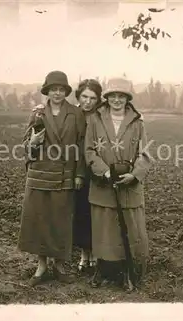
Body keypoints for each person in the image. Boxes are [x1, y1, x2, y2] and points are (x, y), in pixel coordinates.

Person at [18, 70, 86, 286]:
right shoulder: (37, 113)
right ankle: (41, 266)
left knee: (61, 221)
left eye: (61, 89)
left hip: (65, 174)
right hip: (39, 174)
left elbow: (82, 146)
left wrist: (79, 174)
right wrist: (34, 142)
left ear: (66, 91)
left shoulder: (76, 113)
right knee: (40, 220)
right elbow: (25, 146)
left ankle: (59, 265)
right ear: (47, 91)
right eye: (53, 89)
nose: (57, 93)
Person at [84, 76, 153, 289]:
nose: (116, 100)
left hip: (128, 187)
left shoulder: (137, 122)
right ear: (106, 98)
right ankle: (102, 270)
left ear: (127, 98)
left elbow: (145, 153)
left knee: (129, 230)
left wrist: (134, 175)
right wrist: (104, 172)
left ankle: (127, 273)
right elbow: (89, 151)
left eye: (121, 96)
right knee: (103, 230)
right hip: (103, 186)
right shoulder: (95, 120)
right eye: (112, 96)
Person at [72, 79, 103, 274]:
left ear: (98, 100)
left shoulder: (101, 117)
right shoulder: (72, 115)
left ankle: (97, 254)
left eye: (93, 98)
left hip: (97, 170)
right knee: (81, 212)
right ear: (78, 96)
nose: (88, 102)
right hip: (76, 171)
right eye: (84, 96)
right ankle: (84, 254)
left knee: (98, 213)